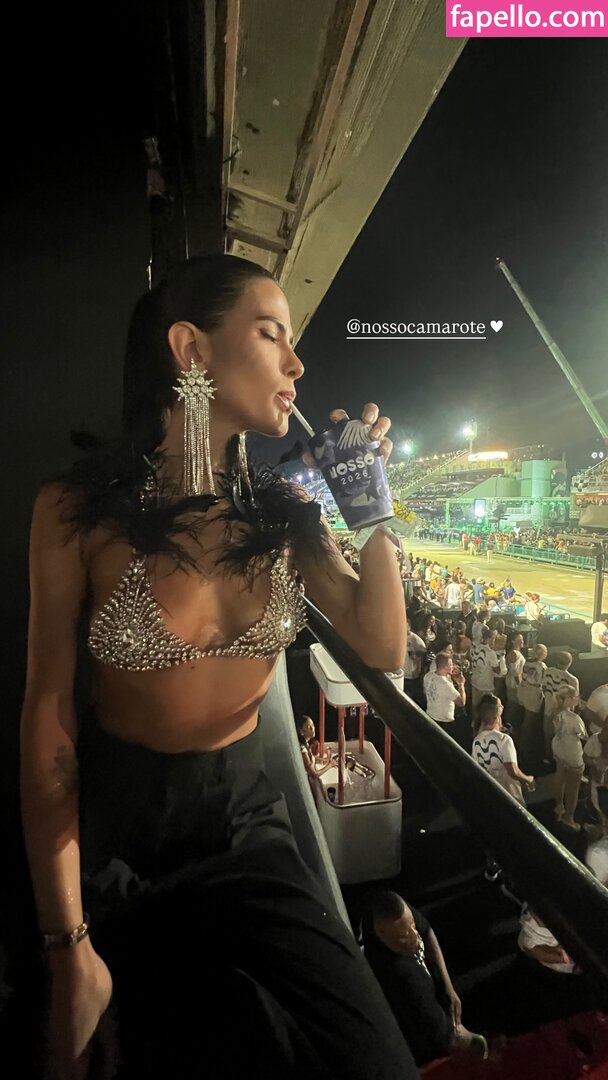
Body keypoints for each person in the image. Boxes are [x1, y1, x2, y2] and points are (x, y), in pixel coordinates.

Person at [19, 255, 417, 1079]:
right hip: (115, 839)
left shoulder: (286, 516)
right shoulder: (75, 513)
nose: (297, 364)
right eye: (273, 334)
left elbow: (382, 646)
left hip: (247, 829)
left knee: (375, 1061)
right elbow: (49, 719)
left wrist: (371, 506)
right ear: (191, 349)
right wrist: (67, 947)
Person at [362, 892, 488, 1068]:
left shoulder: (389, 912)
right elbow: (449, 1038)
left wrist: (448, 986)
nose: (413, 936)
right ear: (382, 934)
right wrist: (482, 1046)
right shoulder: (403, 979)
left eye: (412, 925)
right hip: (426, 1031)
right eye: (403, 936)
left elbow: (426, 931)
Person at [472, 695, 534, 805]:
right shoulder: (504, 740)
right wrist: (528, 779)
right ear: (497, 716)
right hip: (508, 791)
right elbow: (512, 771)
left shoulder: (477, 740)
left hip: (490, 790)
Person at [552, 686, 587, 830]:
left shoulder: (556, 712)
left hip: (559, 748)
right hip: (572, 753)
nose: (578, 698)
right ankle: (569, 819)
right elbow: (583, 735)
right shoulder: (574, 719)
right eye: (576, 697)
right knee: (573, 788)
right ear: (569, 699)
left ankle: (559, 807)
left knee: (560, 777)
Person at [542, 652, 579, 760]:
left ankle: (547, 757)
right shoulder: (572, 680)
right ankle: (559, 759)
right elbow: (574, 699)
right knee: (561, 737)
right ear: (570, 663)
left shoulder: (548, 671)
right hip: (563, 713)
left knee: (548, 735)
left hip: (548, 708)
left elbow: (543, 688)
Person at [423, 652, 466, 732]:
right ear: (446, 667)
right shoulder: (445, 684)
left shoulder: (428, 676)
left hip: (430, 715)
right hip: (444, 721)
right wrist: (461, 684)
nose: (453, 666)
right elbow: (461, 702)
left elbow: (425, 693)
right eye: (451, 664)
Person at [470, 626, 501, 719]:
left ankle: (474, 723)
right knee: (486, 709)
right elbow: (497, 670)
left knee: (475, 706)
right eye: (493, 639)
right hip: (485, 686)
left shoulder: (476, 648)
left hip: (475, 682)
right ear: (489, 639)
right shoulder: (490, 653)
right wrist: (500, 661)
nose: (494, 641)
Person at [583, 718, 608, 831]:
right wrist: (595, 761)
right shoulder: (594, 739)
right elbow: (585, 757)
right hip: (596, 783)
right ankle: (600, 827)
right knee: (597, 807)